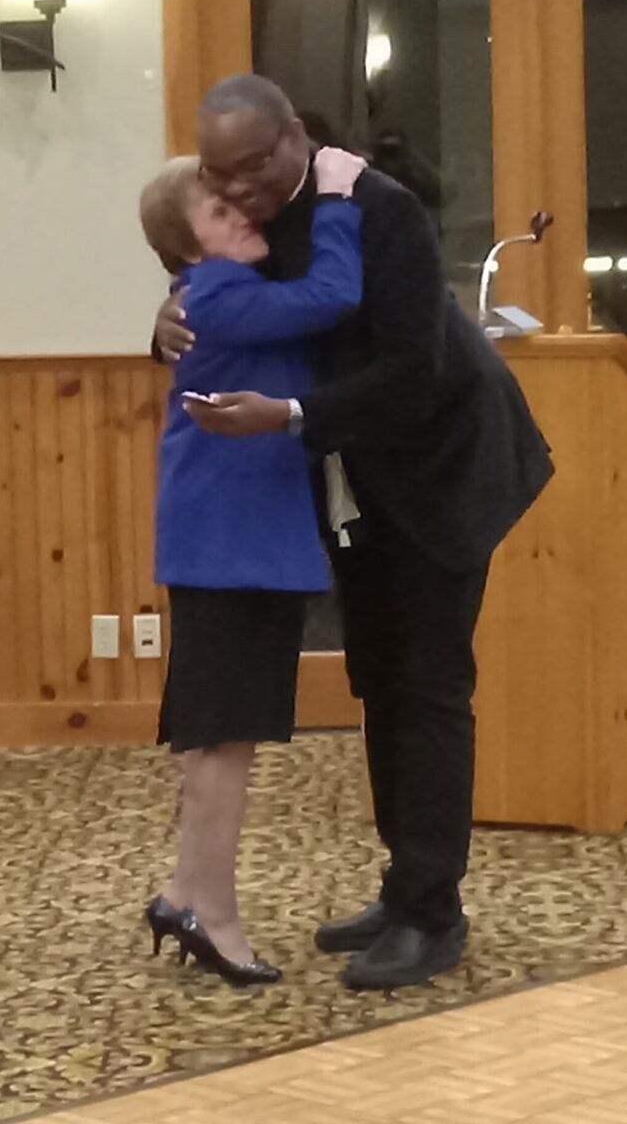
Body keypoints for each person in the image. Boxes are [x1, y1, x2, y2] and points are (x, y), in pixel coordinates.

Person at [154, 74, 554, 990]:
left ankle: (433, 912)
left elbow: (412, 373)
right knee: (379, 678)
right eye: (219, 174)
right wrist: (168, 322)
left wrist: (291, 415)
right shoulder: (256, 216)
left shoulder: (380, 210)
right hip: (358, 480)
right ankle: (403, 885)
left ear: (294, 137)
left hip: (446, 467)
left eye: (253, 166)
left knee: (429, 684)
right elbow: (232, 303)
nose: (237, 189)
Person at [134, 145, 371, 988]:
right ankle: (212, 912)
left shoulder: (215, 289)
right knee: (224, 739)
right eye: (218, 211)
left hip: (234, 541)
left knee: (223, 736)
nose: (240, 214)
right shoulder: (220, 293)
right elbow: (332, 295)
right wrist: (337, 199)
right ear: (188, 244)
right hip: (231, 544)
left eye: (238, 201)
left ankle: (186, 894)